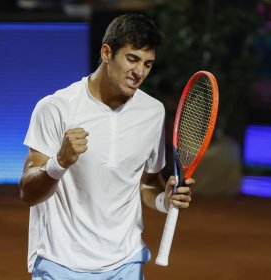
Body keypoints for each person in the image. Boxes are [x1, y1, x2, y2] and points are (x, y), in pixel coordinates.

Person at [19, 13, 194, 279]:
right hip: (60, 262)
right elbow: (28, 193)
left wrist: (164, 199)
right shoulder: (55, 108)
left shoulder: (153, 112)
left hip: (126, 262)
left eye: (148, 64)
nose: (139, 72)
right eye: (132, 59)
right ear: (106, 53)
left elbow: (147, 181)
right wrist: (59, 163)